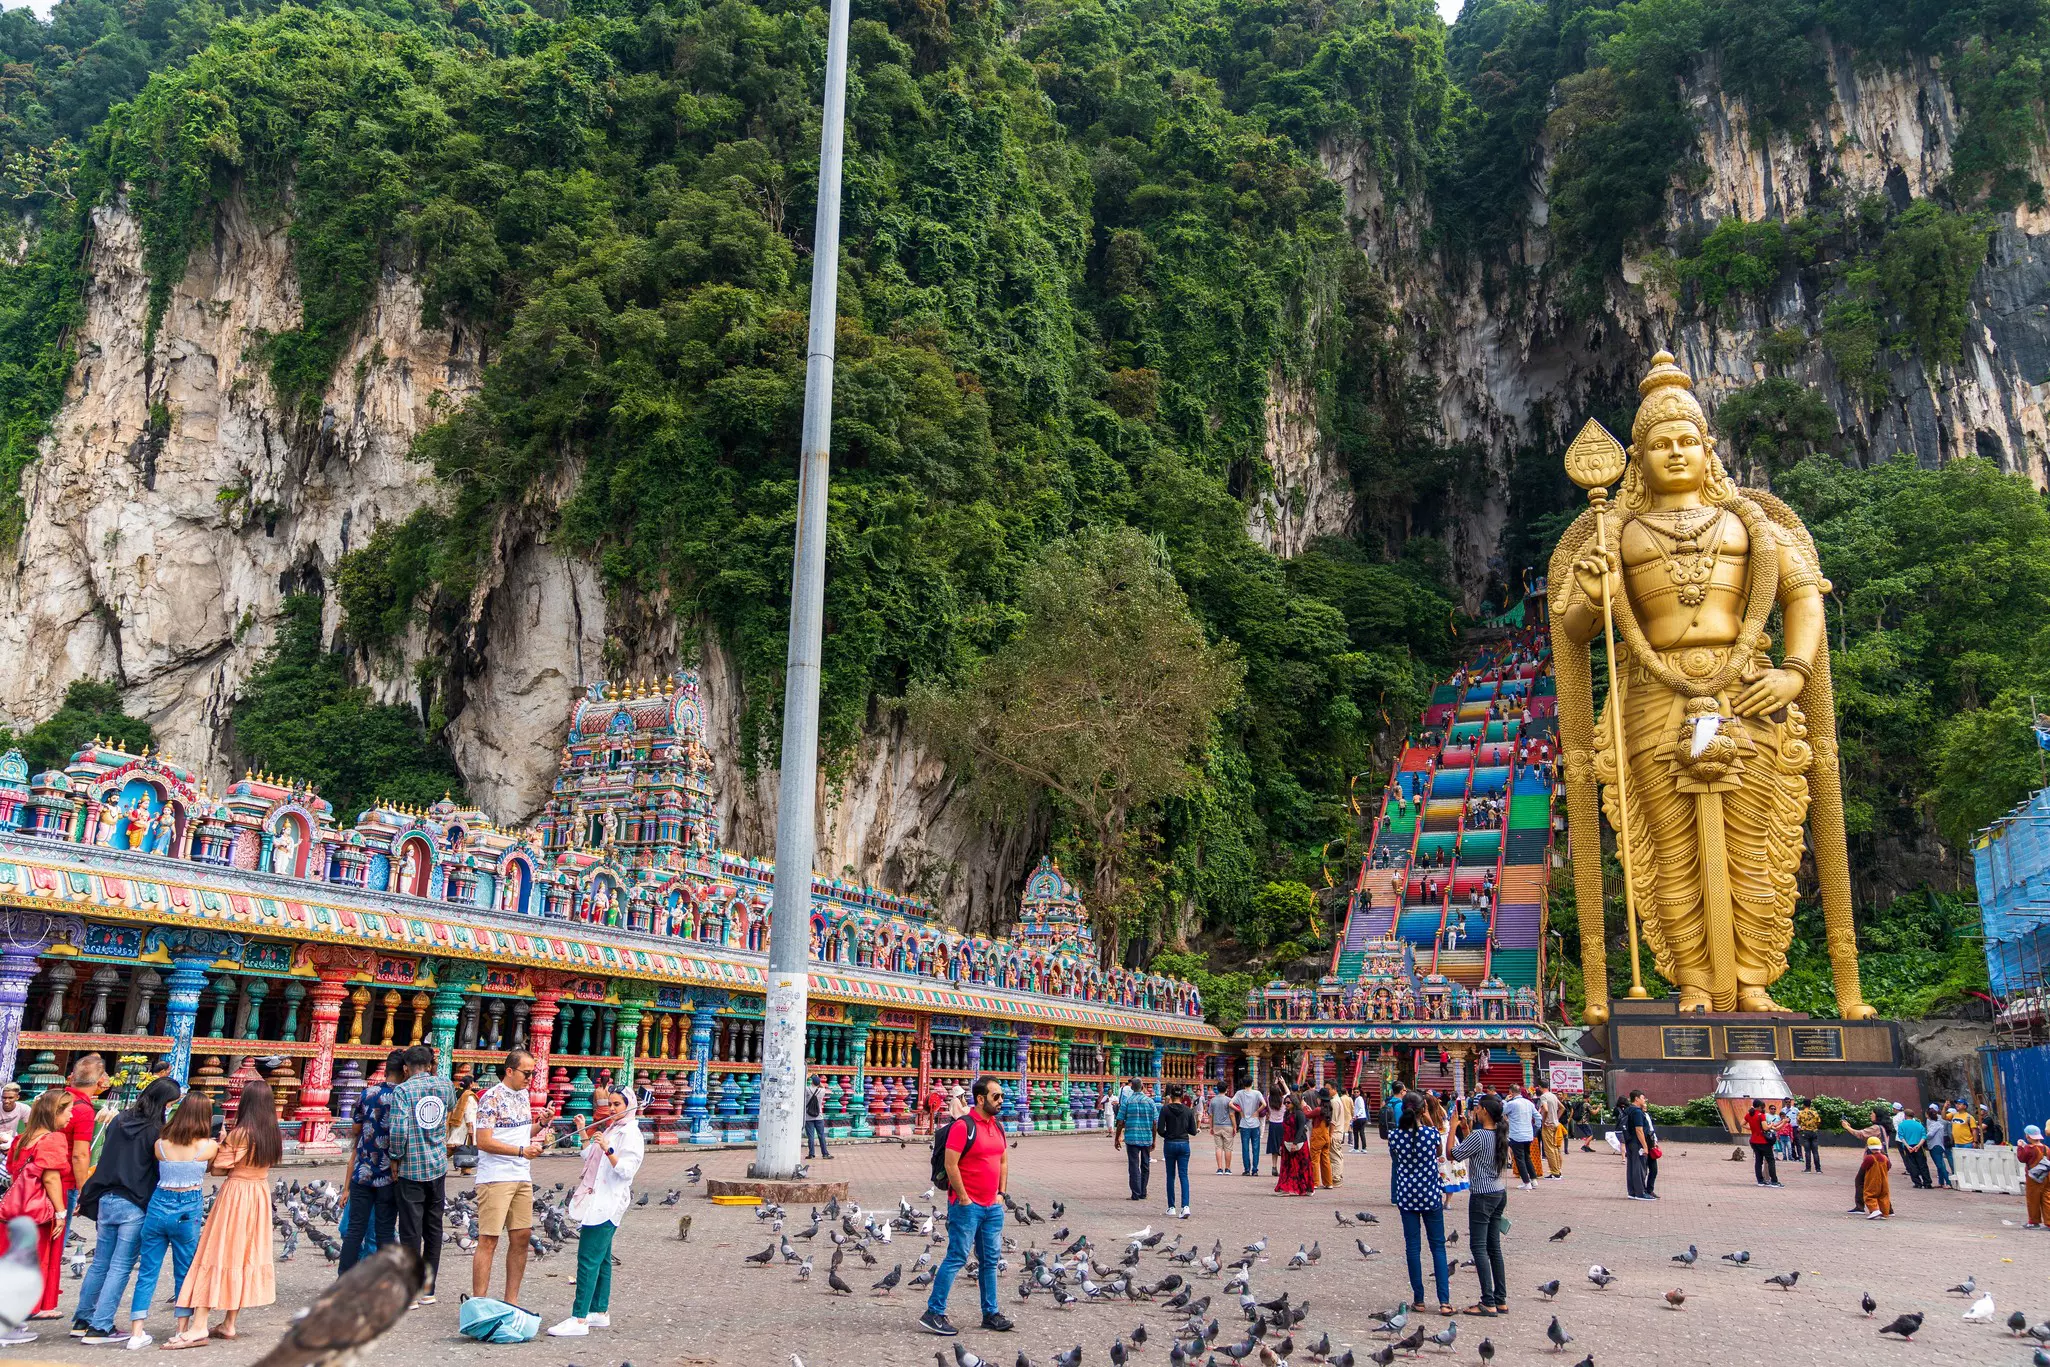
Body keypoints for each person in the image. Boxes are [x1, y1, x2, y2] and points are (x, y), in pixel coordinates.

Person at [164, 1079, 280, 1348]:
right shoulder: (272, 1133)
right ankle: (229, 1323)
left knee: (217, 1251)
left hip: (237, 1194)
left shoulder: (241, 1133)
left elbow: (217, 1169)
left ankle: (200, 1326)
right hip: (259, 1193)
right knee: (243, 1255)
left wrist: (221, 1144)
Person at [73, 1076, 183, 1344]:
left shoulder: (120, 1119)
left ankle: (82, 1319)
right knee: (120, 1267)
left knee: (100, 1263)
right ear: (164, 1103)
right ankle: (101, 1327)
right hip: (134, 1201)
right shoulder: (157, 1130)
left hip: (106, 1198)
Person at [545, 1083, 645, 1338]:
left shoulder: (631, 1133)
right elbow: (590, 1156)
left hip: (608, 1201)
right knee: (601, 1258)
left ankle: (579, 1318)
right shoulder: (613, 1127)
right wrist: (583, 1131)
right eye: (609, 1104)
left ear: (629, 1106)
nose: (611, 1109)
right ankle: (599, 1312)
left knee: (587, 1260)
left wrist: (608, 1149)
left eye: (617, 1105)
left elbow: (625, 1170)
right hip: (597, 1198)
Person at [918, 1076, 1010, 1338]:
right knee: (957, 1257)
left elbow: (1003, 1161)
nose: (1001, 1100)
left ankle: (990, 1313)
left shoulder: (998, 1127)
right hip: (967, 1206)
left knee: (990, 1261)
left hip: (992, 1207)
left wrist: (1001, 1194)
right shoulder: (963, 1126)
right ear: (980, 1099)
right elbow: (951, 1164)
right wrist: (965, 1197)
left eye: (1001, 1096)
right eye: (996, 1096)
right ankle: (934, 1312)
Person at [124, 1091, 216, 1350]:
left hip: (158, 1206)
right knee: (184, 1272)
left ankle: (136, 1331)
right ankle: (181, 1329)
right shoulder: (209, 1146)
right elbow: (215, 1167)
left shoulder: (161, 1144)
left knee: (147, 1271)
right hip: (187, 1209)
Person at [472, 1049, 553, 1309]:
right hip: (496, 1177)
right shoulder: (491, 1098)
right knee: (489, 1239)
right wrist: (521, 1151)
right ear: (509, 1071)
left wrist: (540, 1124)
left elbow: (517, 1133)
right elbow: (482, 1141)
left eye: (533, 1073)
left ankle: (512, 1301)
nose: (530, 1078)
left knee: (521, 1237)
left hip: (521, 1175)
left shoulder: (523, 1096)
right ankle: (479, 1302)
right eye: (526, 1073)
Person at [385, 1043, 456, 1307]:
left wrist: (395, 1157)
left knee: (410, 1230)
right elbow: (449, 1110)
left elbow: (399, 1130)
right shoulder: (445, 1085)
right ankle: (428, 1289)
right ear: (429, 1066)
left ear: (406, 1068)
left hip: (411, 1168)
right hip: (437, 1165)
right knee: (434, 1228)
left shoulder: (403, 1091)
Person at [4, 1088, 75, 1332]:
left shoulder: (22, 1138)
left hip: (15, 1210)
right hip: (36, 1213)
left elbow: (14, 1171)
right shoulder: (52, 1139)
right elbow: (51, 1179)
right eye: (67, 1110)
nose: (71, 1116)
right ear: (54, 1112)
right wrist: (60, 1212)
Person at [339, 1048, 405, 1272]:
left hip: (364, 1172)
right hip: (390, 1175)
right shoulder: (405, 1097)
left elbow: (355, 1128)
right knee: (385, 1231)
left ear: (386, 1070)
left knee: (355, 1230)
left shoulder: (367, 1094)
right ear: (405, 1071)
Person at [1387, 1098, 1451, 1314]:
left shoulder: (1395, 1136)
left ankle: (1419, 1299)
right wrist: (1428, 1120)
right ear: (1422, 1111)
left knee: (1413, 1248)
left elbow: (1395, 1159)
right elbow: (1439, 1152)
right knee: (1438, 1247)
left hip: (1407, 1196)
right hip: (1430, 1195)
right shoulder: (1431, 1134)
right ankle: (1444, 1301)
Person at [1451, 1094, 1509, 1316]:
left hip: (1482, 1195)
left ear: (1483, 1110)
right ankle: (1500, 1299)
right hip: (1498, 1192)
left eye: (1477, 1108)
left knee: (1478, 1248)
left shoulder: (1479, 1135)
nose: (1474, 1111)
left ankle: (1488, 1301)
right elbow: (1476, 1150)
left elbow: (1454, 1154)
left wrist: (1453, 1128)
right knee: (1494, 1247)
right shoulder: (1499, 1133)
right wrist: (1465, 1130)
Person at [1113, 1080, 1159, 1202]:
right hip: (1146, 1137)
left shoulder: (1127, 1102)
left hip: (1132, 1138)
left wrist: (1117, 1138)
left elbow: (1120, 1122)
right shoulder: (1150, 1102)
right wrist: (1154, 1139)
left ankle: (1135, 1193)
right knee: (1145, 1165)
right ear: (1143, 1087)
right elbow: (1154, 1123)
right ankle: (1143, 1192)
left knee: (1133, 1165)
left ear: (1132, 1088)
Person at [1157, 1085, 1197, 1219]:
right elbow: (1193, 1131)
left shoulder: (1165, 1109)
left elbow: (1160, 1129)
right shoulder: (1188, 1110)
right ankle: (1185, 1206)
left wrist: (1169, 1134)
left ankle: (1171, 1207)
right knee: (1183, 1175)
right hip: (1184, 1144)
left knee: (1170, 1175)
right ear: (1182, 1096)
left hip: (1169, 1144)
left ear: (1171, 1096)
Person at [1273, 1096, 1313, 1197]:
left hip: (1298, 1144)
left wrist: (1295, 1143)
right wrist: (1282, 1144)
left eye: (1288, 1103)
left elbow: (1300, 1129)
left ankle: (1305, 1188)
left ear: (1294, 1103)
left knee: (1302, 1167)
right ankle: (1287, 1188)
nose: (1286, 1105)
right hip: (1287, 1143)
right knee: (1288, 1167)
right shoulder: (1286, 1113)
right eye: (1285, 1103)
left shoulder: (1299, 1113)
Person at [1620, 1090, 1656, 1201]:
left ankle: (1632, 1192)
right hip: (1637, 1143)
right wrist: (1645, 1146)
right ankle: (1640, 1193)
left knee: (1632, 1167)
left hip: (1630, 1142)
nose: (1644, 1100)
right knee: (1639, 1168)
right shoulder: (1637, 1112)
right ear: (1636, 1098)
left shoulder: (1628, 1110)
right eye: (1643, 1098)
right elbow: (1639, 1130)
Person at [1502, 1086, 1538, 1190]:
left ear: (1511, 1092)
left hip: (1517, 1134)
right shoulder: (1529, 1103)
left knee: (1519, 1158)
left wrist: (1505, 1101)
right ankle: (1533, 1180)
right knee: (1527, 1156)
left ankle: (1526, 1182)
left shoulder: (1512, 1104)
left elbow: (1503, 1111)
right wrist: (1536, 1128)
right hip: (1528, 1134)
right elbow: (1538, 1116)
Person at [1230, 1080, 1265, 1177]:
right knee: (1256, 1148)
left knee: (1245, 1148)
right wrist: (1257, 1111)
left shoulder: (1239, 1093)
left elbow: (1230, 1103)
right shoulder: (1257, 1093)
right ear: (1252, 1084)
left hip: (1244, 1124)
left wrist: (1239, 1110)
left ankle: (1246, 1169)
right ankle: (1255, 1170)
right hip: (1255, 1124)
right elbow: (1265, 1104)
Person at [447, 1074, 480, 1177]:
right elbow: (469, 1112)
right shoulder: (469, 1096)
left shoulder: (458, 1093)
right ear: (471, 1084)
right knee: (465, 1147)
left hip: (457, 1122)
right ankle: (466, 1170)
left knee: (454, 1146)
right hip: (465, 1125)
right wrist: (470, 1127)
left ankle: (437, 1164)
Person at [1743, 1099, 1779, 1187]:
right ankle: (1774, 1181)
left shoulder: (1748, 1115)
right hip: (1762, 1141)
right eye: (1762, 1107)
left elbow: (1742, 1124)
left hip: (1753, 1141)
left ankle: (1760, 1180)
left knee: (1758, 1161)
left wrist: (1752, 1128)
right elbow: (1765, 1128)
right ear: (1759, 1107)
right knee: (1770, 1160)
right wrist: (1770, 1125)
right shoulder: (1761, 1115)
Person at [2017, 1124, 2048, 1229]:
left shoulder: (2028, 1148)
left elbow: (2022, 1158)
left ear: (2028, 1136)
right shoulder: (2046, 1148)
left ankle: (2033, 1222)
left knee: (2033, 1199)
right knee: (2046, 1198)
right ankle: (2049, 1222)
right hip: (2046, 1176)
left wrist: (2020, 1147)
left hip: (2033, 1177)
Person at [1893, 1106, 1931, 1190]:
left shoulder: (1902, 1125)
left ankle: (1917, 1183)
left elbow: (1901, 1136)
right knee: (1923, 1164)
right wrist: (1919, 1145)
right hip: (1919, 1147)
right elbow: (1924, 1136)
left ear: (1905, 1116)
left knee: (1912, 1165)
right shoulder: (1918, 1124)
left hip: (1908, 1147)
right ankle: (1927, 1183)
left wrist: (1907, 1146)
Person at [1857, 1135, 1893, 1219]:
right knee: (1884, 1196)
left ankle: (1874, 1210)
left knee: (1869, 1195)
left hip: (1873, 1180)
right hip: (1884, 1180)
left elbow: (1863, 1168)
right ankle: (1885, 1213)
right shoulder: (1885, 1157)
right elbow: (1888, 1167)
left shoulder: (1869, 1158)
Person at [1535, 1083, 1564, 1179]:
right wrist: (1556, 1118)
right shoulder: (1553, 1096)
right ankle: (1557, 1170)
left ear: (1540, 1087)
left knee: (1549, 1149)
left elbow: (1546, 1110)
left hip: (1548, 1125)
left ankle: (1555, 1172)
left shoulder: (1543, 1097)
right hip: (1555, 1124)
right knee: (1555, 1147)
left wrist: (1544, 1121)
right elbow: (1562, 1108)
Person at [1923, 1103, 1954, 1190]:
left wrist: (1923, 1136)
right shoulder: (1935, 1123)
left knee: (1940, 1165)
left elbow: (1930, 1135)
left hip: (1936, 1146)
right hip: (1935, 1145)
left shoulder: (1936, 1124)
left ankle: (1948, 1182)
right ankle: (1941, 1182)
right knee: (1939, 1165)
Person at [1206, 1086, 1235, 1174]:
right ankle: (1227, 1169)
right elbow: (1232, 1114)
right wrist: (1235, 1126)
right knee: (1228, 1148)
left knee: (1218, 1147)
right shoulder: (1229, 1100)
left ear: (1217, 1090)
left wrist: (1211, 1127)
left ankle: (1219, 1168)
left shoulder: (1213, 1100)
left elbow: (1210, 1115)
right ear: (1226, 1089)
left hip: (1217, 1126)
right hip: (1228, 1126)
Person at [802, 1075, 831, 1160]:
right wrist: (818, 1082)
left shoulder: (807, 1089)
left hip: (808, 1117)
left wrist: (807, 1077)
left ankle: (811, 1154)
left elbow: (802, 1084)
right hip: (819, 1116)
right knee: (821, 1135)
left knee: (810, 1136)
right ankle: (825, 1153)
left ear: (812, 1082)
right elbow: (822, 1085)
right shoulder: (822, 1091)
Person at [1264, 1086, 1288, 1177]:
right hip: (1281, 1125)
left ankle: (1274, 1166)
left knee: (1274, 1147)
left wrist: (1274, 1085)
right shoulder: (1284, 1100)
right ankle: (1283, 1167)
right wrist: (1283, 1083)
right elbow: (1289, 1093)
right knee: (1282, 1147)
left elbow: (1269, 1094)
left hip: (1272, 1125)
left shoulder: (1269, 1100)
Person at [1797, 1097, 1822, 1173]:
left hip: (1805, 1132)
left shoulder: (1801, 1113)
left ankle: (1808, 1169)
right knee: (1815, 1151)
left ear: (1803, 1105)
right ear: (1810, 1104)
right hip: (1814, 1132)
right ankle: (1818, 1169)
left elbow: (1798, 1122)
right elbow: (1819, 1122)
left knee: (1807, 1151)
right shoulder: (1814, 1113)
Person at [0, 1083, 26, 1148]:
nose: (6, 1101)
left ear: (17, 1097)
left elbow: (30, 1129)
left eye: (10, 1098)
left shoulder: (23, 1109)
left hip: (12, 1140)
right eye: (4, 1098)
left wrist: (18, 1142)